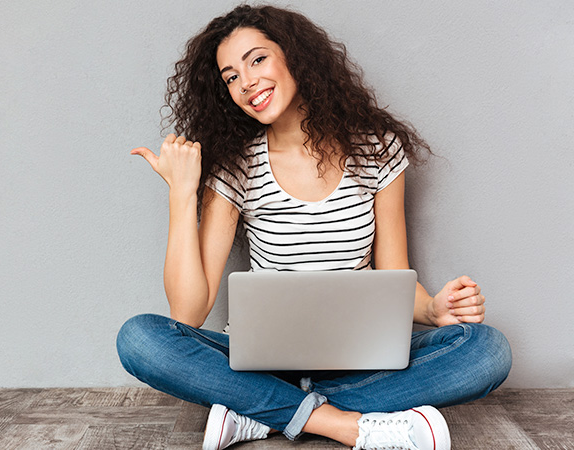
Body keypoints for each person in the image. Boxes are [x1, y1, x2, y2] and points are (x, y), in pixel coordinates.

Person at [116, 5, 512, 450]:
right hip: (262, 364)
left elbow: (394, 272)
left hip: (360, 361)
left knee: (487, 351)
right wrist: (181, 193)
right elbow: (187, 315)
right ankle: (341, 423)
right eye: (230, 76)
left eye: (257, 59)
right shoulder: (236, 164)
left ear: (295, 56)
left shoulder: (377, 148)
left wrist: (434, 311)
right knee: (139, 339)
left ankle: (266, 414)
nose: (246, 83)